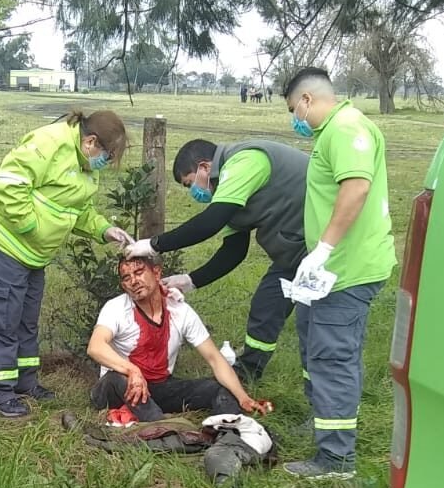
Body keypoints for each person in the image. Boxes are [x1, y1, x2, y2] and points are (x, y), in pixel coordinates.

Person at [0, 109, 134, 418]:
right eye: (107, 156)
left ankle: (25, 382)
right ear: (90, 142)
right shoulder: (49, 143)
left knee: (25, 319)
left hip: (33, 255)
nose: (107, 163)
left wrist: (103, 229)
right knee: (0, 318)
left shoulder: (86, 167)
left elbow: (78, 209)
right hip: (2, 243)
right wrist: (32, 228)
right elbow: (10, 185)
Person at [281, 67, 396, 479]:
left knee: (333, 355)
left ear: (308, 100)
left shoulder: (345, 128)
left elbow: (356, 188)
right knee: (315, 342)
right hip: (328, 270)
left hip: (346, 269)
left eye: (295, 109)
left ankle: (336, 459)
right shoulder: (330, 132)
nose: (296, 119)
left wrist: (325, 247)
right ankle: (326, 419)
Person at [125, 137, 309, 381]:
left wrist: (153, 245)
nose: (194, 192)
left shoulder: (246, 161)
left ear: (204, 167)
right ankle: (246, 375)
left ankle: (324, 397)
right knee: (266, 305)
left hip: (329, 245)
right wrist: (191, 281)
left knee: (316, 325)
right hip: (297, 253)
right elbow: (234, 250)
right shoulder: (230, 189)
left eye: (190, 183)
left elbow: (210, 222)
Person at [87, 255, 269, 421]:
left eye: (139, 272)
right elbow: (95, 346)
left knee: (217, 389)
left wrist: (243, 397)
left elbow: (215, 359)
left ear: (157, 273)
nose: (134, 281)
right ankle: (163, 426)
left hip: (158, 387)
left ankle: (228, 430)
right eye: (127, 278)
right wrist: (132, 371)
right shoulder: (116, 308)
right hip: (116, 389)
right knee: (118, 379)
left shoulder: (180, 311)